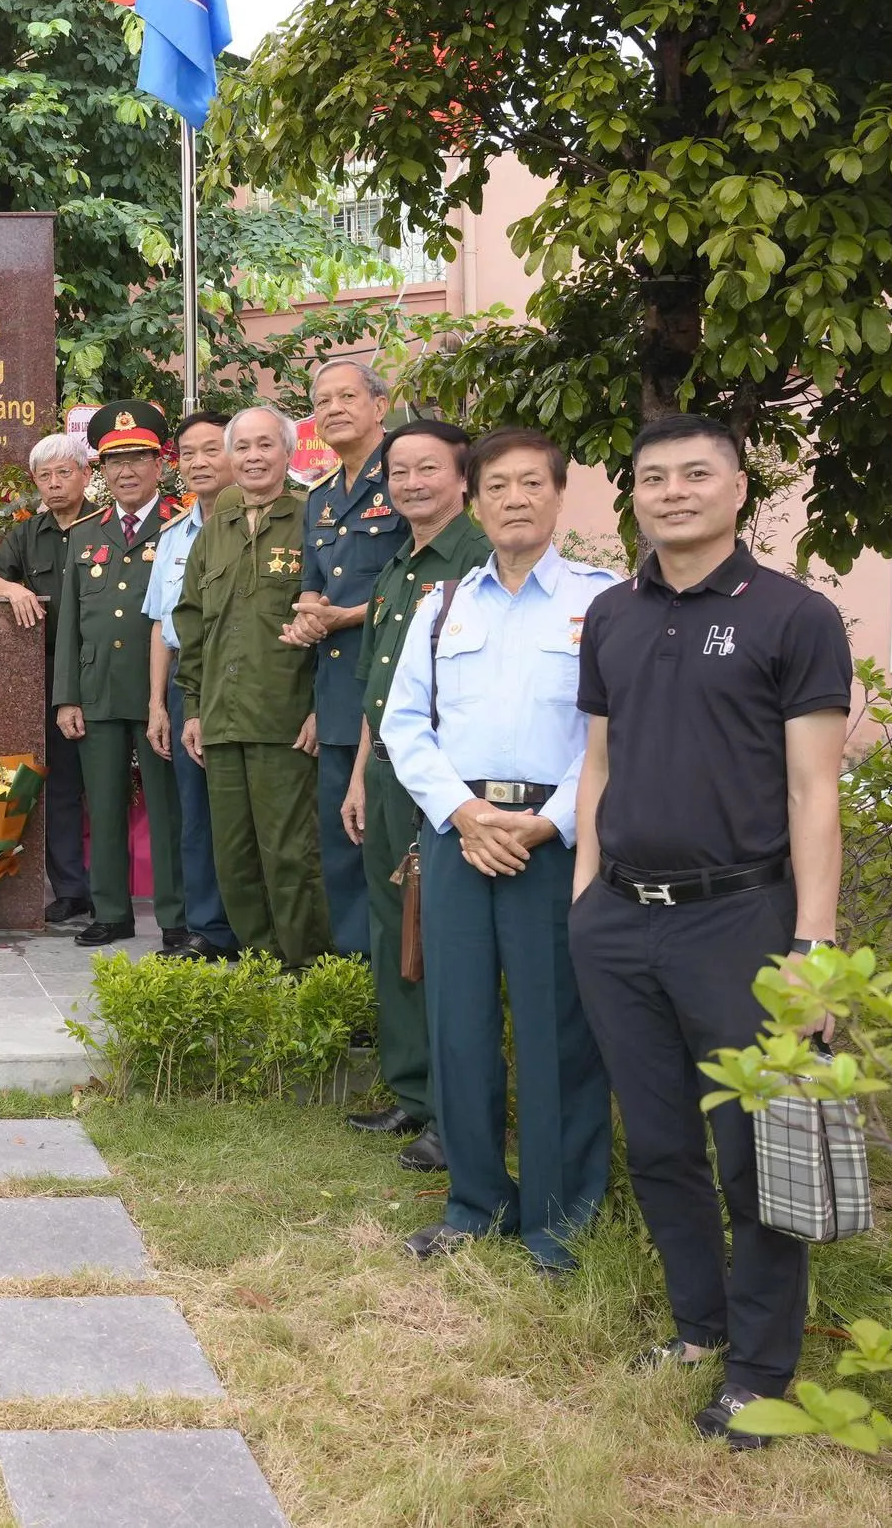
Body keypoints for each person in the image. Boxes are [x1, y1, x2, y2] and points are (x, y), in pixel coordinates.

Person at [571, 413, 850, 1446]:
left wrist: (814, 947)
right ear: (633, 496)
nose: (673, 491)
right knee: (656, 1145)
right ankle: (697, 1326)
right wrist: (586, 902)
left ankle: (761, 1367)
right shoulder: (610, 615)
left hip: (739, 921)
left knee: (753, 1149)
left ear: (739, 490)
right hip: (619, 924)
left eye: (697, 474)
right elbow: (597, 763)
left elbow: (814, 792)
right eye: (652, 477)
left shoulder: (793, 617)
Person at [384, 428, 616, 1272]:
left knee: (560, 1028)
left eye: (531, 484)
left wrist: (552, 820)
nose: (514, 499)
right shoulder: (443, 605)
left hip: (555, 840)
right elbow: (405, 723)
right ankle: (476, 1201)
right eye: (497, 486)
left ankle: (559, 1217)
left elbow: (610, 731)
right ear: (474, 501)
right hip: (460, 836)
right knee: (459, 1024)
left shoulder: (602, 603)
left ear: (559, 494)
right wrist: (462, 812)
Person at [340, 420, 490, 1171]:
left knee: (438, 940)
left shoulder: (479, 561)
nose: (411, 483)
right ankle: (410, 1089)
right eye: (398, 472)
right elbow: (379, 687)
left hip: (449, 781)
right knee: (390, 927)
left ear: (463, 478)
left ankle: (451, 1105)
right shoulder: (399, 566)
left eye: (427, 469)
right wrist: (361, 773)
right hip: (390, 774)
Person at [173, 406, 332, 969]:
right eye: (241, 448)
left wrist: (321, 709)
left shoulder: (314, 517)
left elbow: (332, 627)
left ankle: (307, 970)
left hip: (286, 721)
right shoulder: (216, 527)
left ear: (288, 454)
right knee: (234, 857)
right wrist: (192, 707)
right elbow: (191, 620)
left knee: (291, 855)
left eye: (266, 445)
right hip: (221, 720)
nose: (253, 457)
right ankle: (262, 967)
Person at [282, 361, 406, 961]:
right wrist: (309, 615)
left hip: (394, 687)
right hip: (335, 692)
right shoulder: (321, 497)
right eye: (321, 401)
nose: (332, 409)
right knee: (341, 845)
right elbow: (312, 581)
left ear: (379, 406)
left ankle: (393, 977)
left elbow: (418, 586)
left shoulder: (406, 478)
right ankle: (355, 980)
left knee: (387, 844)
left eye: (346, 397)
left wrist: (344, 616)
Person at [53, 402, 185, 949]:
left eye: (138, 458)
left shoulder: (183, 522)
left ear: (160, 463)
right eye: (115, 462)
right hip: (99, 687)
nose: (126, 471)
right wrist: (67, 697)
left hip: (163, 690)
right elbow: (70, 623)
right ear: (101, 472)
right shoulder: (87, 534)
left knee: (169, 807)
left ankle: (177, 918)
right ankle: (110, 912)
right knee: (102, 803)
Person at [0, 431, 98, 924]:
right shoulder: (29, 534)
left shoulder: (111, 525)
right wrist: (12, 589)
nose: (53, 484)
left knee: (109, 784)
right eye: (44, 476)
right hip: (53, 676)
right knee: (64, 783)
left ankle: (112, 890)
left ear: (86, 475)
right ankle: (72, 890)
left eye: (63, 473)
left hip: (109, 670)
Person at [142, 411, 239, 958]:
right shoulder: (174, 536)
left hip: (246, 680)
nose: (200, 463)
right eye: (189, 454)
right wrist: (158, 703)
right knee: (195, 813)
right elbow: (162, 623)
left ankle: (255, 923)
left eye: (212, 450)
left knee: (247, 809)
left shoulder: (273, 523)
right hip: (187, 684)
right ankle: (208, 928)